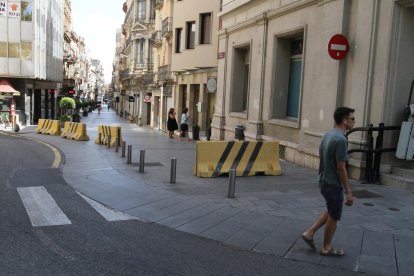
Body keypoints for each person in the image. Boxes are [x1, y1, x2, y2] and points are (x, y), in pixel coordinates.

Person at [301, 107, 355, 257]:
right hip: (332, 184)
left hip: (323, 180)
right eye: (352, 119)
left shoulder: (328, 134)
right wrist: (349, 192)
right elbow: (341, 167)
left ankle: (309, 233)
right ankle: (326, 247)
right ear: (345, 120)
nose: (354, 121)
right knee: (334, 215)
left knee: (332, 210)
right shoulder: (341, 139)